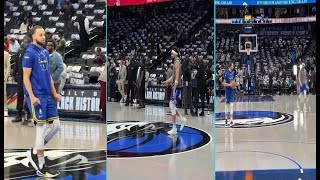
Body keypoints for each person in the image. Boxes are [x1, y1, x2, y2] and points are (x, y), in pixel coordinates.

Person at [23, 25, 62, 177]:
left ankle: (34, 152)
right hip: (37, 96)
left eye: (44, 35)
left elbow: (49, 77)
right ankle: (41, 166)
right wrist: (31, 97)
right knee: (41, 129)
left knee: (56, 126)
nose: (43, 37)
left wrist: (55, 93)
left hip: (47, 95)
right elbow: (26, 77)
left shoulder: (45, 52)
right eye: (40, 35)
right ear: (33, 37)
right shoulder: (29, 53)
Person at [161, 48, 187, 135]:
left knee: (172, 105)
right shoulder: (176, 61)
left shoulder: (176, 62)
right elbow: (173, 76)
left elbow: (177, 75)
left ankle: (174, 128)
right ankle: (182, 119)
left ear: (175, 54)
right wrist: (166, 81)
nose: (171, 55)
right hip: (175, 86)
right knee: (172, 105)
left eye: (172, 53)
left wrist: (175, 87)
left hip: (177, 86)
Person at [12, 36, 32, 122]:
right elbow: (16, 64)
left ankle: (29, 114)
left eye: (27, 42)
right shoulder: (19, 52)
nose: (25, 44)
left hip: (30, 78)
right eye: (24, 42)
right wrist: (13, 73)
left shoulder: (31, 52)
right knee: (19, 95)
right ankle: (19, 114)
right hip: (20, 77)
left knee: (29, 96)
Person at [4, 46, 11, 117]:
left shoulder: (6, 54)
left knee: (4, 94)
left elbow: (8, 67)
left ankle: (5, 110)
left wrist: (5, 76)